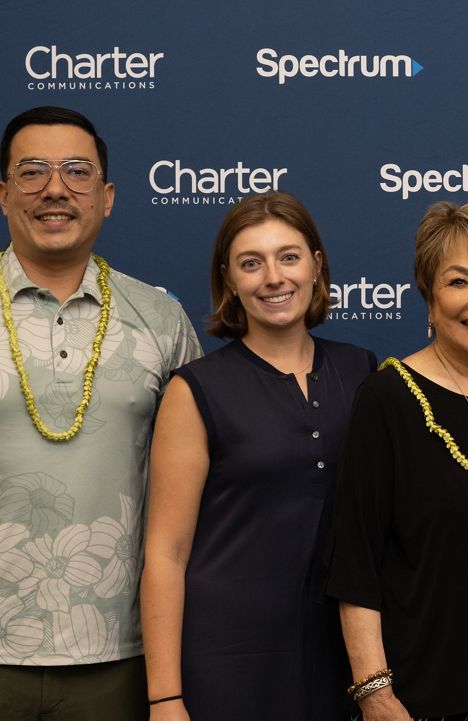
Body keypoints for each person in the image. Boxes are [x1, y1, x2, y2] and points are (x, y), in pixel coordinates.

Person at [0, 106, 200, 720]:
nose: (55, 189)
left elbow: (197, 494)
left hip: (120, 655)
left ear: (107, 197)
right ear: (2, 193)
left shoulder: (160, 321)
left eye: (78, 172)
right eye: (32, 172)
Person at [140, 192, 377, 720]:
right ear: (229, 280)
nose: (273, 277)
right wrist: (165, 698)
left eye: (288, 257)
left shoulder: (362, 372)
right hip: (226, 662)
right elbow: (166, 554)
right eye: (252, 263)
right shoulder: (195, 389)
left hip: (341, 660)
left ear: (317, 265)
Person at [323, 198, 468, 720]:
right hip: (420, 703)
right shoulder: (387, 400)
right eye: (458, 282)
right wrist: (375, 694)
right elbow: (355, 564)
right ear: (428, 300)